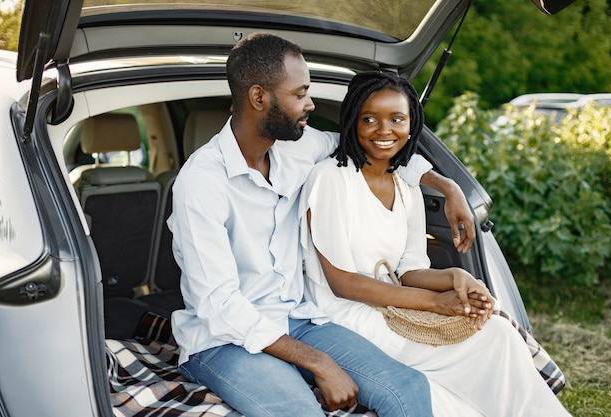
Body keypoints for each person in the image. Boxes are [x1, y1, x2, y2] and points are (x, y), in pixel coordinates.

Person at [167, 32, 480, 417]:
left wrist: (448, 187)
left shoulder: (297, 147)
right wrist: (319, 363)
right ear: (258, 97)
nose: (310, 103)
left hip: (300, 319)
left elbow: (366, 146)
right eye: (299, 94)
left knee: (407, 389)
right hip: (223, 339)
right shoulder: (201, 183)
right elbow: (219, 305)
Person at [299, 70, 572, 417]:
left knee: (499, 333)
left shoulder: (405, 185)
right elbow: (343, 284)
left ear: (412, 125)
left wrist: (457, 279)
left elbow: (410, 270)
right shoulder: (331, 179)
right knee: (473, 348)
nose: (384, 131)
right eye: (370, 119)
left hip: (394, 307)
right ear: (353, 121)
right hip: (345, 318)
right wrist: (435, 303)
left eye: (397, 119)